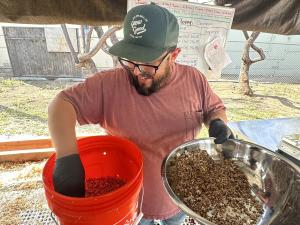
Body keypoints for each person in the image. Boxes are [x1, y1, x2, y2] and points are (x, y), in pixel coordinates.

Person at [48, 3, 234, 225]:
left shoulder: (194, 80)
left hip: (179, 195)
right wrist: (66, 157)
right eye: (130, 61)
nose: (137, 73)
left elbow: (214, 109)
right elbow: (61, 104)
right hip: (129, 202)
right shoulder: (109, 84)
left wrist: (217, 123)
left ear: (174, 55)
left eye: (148, 65)